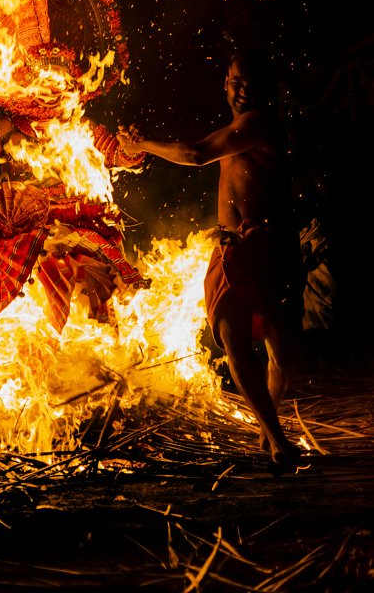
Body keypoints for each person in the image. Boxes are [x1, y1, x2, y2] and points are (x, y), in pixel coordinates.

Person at [117, 51, 306, 469]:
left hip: (270, 245)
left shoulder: (257, 124)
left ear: (267, 90)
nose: (244, 91)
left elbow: (196, 153)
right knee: (232, 336)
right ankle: (275, 439)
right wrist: (146, 141)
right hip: (233, 248)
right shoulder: (237, 127)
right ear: (225, 82)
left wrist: (142, 145)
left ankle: (267, 430)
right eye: (237, 82)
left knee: (281, 353)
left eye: (253, 84)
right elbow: (196, 145)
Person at [0, 112, 149, 333]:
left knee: (97, 298)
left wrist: (132, 146)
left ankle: (101, 344)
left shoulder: (75, 119)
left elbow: (117, 156)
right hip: (22, 225)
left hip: (76, 218)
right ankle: (45, 345)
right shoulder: (4, 126)